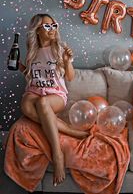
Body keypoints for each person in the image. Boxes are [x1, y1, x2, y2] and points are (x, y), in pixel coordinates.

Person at [19, 13, 88, 187]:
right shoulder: (32, 50)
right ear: (37, 31)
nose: (52, 29)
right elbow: (32, 75)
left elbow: (70, 77)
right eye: (47, 26)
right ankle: (66, 129)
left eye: (54, 25)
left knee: (43, 104)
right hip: (35, 90)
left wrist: (67, 62)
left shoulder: (60, 48)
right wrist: (21, 67)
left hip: (55, 93)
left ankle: (58, 155)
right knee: (26, 106)